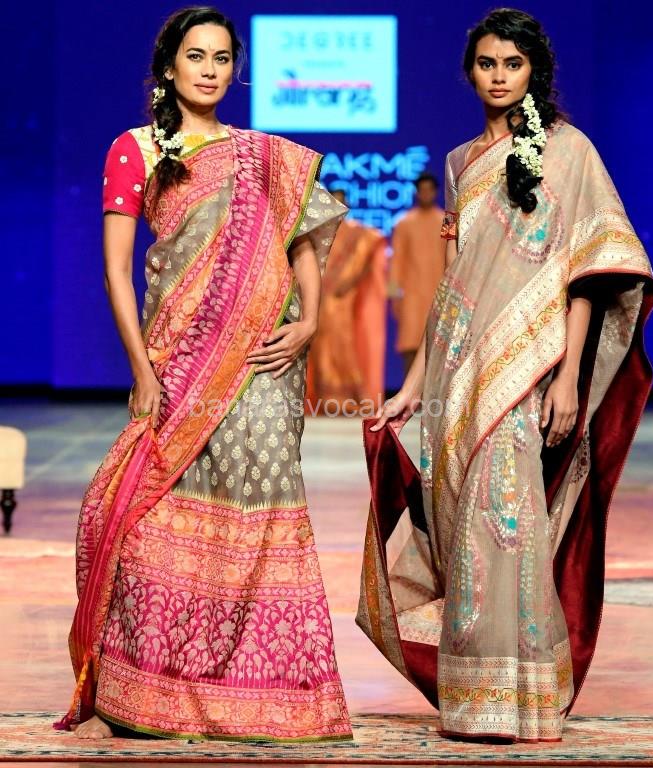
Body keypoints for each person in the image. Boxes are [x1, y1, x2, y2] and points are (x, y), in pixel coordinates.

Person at [358, 8, 653, 743]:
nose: (498, 76)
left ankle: (520, 697)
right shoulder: (461, 161)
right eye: (487, 64)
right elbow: (451, 283)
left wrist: (568, 377)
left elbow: (585, 272)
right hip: (457, 371)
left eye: (512, 64)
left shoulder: (569, 150)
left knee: (506, 523)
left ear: (533, 71)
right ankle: (471, 698)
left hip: (526, 368)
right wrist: (413, 386)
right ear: (470, 72)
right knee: (458, 525)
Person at [56, 6, 352, 742]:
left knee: (259, 519)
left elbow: (303, 240)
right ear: (169, 66)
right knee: (131, 512)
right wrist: (141, 368)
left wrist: (311, 321)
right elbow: (117, 270)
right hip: (178, 361)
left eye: (222, 58)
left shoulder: (263, 156)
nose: (211, 69)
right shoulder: (134, 149)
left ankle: (260, 690)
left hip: (263, 366)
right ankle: (150, 687)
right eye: (196, 55)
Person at [306, 188, 387, 412]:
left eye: (341, 203)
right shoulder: (316, 232)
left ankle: (344, 398)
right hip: (316, 298)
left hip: (342, 301)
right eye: (334, 202)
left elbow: (369, 250)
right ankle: (322, 399)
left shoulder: (358, 234)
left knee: (343, 344)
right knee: (319, 346)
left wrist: (347, 282)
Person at [390, 173, 446, 374]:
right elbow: (396, 261)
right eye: (422, 190)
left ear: (435, 192)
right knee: (410, 346)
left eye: (429, 190)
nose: (425, 194)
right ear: (416, 193)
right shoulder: (404, 222)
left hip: (440, 292)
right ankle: (409, 393)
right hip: (411, 296)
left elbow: (453, 256)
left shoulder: (447, 221)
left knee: (440, 347)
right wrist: (394, 294)